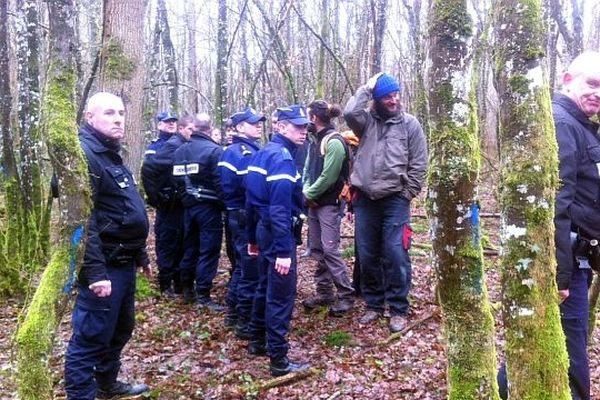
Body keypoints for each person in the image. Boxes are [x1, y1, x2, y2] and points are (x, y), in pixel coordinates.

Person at [500, 51, 600, 400]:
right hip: (566, 262)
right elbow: (556, 201)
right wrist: (558, 272)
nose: (598, 94)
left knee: (544, 339)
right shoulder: (562, 123)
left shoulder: (584, 127)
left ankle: (503, 390)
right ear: (568, 80)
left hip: (577, 259)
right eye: (592, 83)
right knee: (569, 354)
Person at [64, 92, 151, 399]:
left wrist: (141, 254)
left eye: (121, 113)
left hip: (124, 262)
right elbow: (82, 222)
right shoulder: (85, 155)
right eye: (109, 113)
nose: (118, 119)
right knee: (90, 337)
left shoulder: (110, 154)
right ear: (90, 118)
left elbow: (123, 208)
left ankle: (106, 384)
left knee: (120, 329)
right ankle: (81, 395)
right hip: (103, 267)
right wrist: (96, 272)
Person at [343, 72, 427, 332]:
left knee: (395, 253)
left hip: (395, 199)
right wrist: (367, 88)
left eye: (395, 95)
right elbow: (349, 112)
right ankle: (374, 305)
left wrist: (407, 193)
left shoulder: (410, 125)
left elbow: (419, 163)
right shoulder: (365, 123)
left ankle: (398, 307)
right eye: (387, 96)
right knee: (367, 255)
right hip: (366, 200)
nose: (393, 100)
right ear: (376, 100)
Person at [245, 104, 310, 376]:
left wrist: (252, 237)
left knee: (264, 287)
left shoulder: (263, 153)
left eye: (306, 126)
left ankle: (257, 341)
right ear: (281, 126)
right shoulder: (281, 158)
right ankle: (279, 360)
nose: (303, 131)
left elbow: (250, 200)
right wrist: (284, 250)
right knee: (281, 296)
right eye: (297, 126)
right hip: (277, 234)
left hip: (264, 231)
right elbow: (279, 208)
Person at [302, 100, 355, 316]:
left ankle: (346, 296)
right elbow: (307, 169)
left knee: (330, 249)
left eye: (308, 115)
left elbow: (329, 176)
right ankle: (324, 292)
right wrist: (306, 192)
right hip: (314, 204)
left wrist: (309, 194)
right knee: (317, 249)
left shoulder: (334, 142)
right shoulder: (314, 139)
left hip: (329, 205)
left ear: (314, 117)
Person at [218, 107, 265, 337]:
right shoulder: (239, 152)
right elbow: (247, 185)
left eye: (259, 122)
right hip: (243, 215)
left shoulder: (245, 150)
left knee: (242, 266)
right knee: (248, 267)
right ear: (238, 128)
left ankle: (235, 313)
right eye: (252, 122)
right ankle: (243, 319)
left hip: (240, 214)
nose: (258, 125)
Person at [172, 113, 225, 309]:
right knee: (208, 250)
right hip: (208, 208)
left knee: (190, 247)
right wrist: (224, 205)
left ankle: (187, 289)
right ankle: (202, 294)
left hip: (188, 208)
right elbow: (220, 183)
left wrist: (186, 199)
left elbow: (176, 181)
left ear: (194, 129)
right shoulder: (214, 151)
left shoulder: (179, 151)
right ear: (209, 129)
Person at [141, 115, 195, 298]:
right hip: (168, 206)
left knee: (182, 244)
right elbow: (148, 169)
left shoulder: (186, 145)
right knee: (168, 244)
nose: (193, 133)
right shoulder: (173, 146)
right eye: (190, 129)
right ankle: (165, 285)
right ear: (181, 129)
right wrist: (156, 198)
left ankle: (179, 283)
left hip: (181, 205)